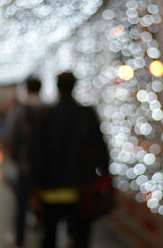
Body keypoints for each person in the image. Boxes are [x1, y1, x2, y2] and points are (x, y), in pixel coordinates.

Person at [32, 72, 110, 248]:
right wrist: (104, 177)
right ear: (74, 87)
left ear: (58, 87)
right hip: (80, 190)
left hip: (50, 190)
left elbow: (37, 154)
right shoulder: (86, 115)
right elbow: (101, 149)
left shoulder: (46, 116)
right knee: (80, 239)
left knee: (49, 237)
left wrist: (35, 186)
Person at [7, 77, 43, 248]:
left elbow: (12, 136)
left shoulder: (20, 110)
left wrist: (15, 158)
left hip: (24, 164)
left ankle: (19, 240)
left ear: (27, 89)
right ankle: (43, 236)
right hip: (43, 167)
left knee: (21, 205)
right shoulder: (47, 109)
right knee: (42, 202)